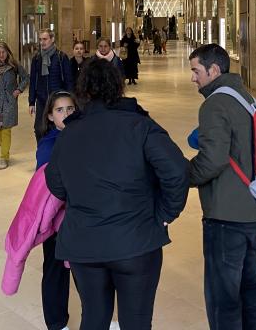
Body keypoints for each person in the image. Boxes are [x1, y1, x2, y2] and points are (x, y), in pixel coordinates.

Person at [45, 58, 189, 330]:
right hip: (135, 242)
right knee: (136, 321)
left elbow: (56, 184)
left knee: (93, 318)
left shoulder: (70, 133)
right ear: (118, 87)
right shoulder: (140, 125)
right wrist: (164, 213)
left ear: (83, 91)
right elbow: (177, 171)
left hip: (84, 244)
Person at [187, 43, 256, 330]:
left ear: (214, 69)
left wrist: (183, 175)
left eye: (196, 71)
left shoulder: (215, 104)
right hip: (254, 209)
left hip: (226, 215)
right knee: (251, 289)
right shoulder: (247, 97)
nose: (193, 78)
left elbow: (212, 160)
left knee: (224, 298)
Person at [35, 91, 76, 330]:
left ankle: (98, 317)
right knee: (55, 269)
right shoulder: (48, 145)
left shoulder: (82, 136)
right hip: (54, 221)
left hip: (79, 217)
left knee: (86, 270)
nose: (66, 114)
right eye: (60, 110)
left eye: (70, 109)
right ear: (50, 116)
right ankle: (57, 322)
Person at [0, 41, 30, 170]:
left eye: (3, 52)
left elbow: (25, 77)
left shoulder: (14, 65)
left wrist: (18, 90)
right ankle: (5, 150)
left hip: (9, 100)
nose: (1, 55)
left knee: (6, 128)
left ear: (7, 52)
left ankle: (3, 157)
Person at [28, 29, 74, 142]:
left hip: (57, 99)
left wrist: (71, 99)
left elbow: (68, 80)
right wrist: (31, 101)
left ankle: (57, 153)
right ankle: (42, 152)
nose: (42, 42)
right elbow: (33, 80)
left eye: (45, 39)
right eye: (40, 39)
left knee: (58, 128)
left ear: (52, 39)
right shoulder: (37, 58)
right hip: (42, 99)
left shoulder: (61, 57)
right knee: (39, 129)